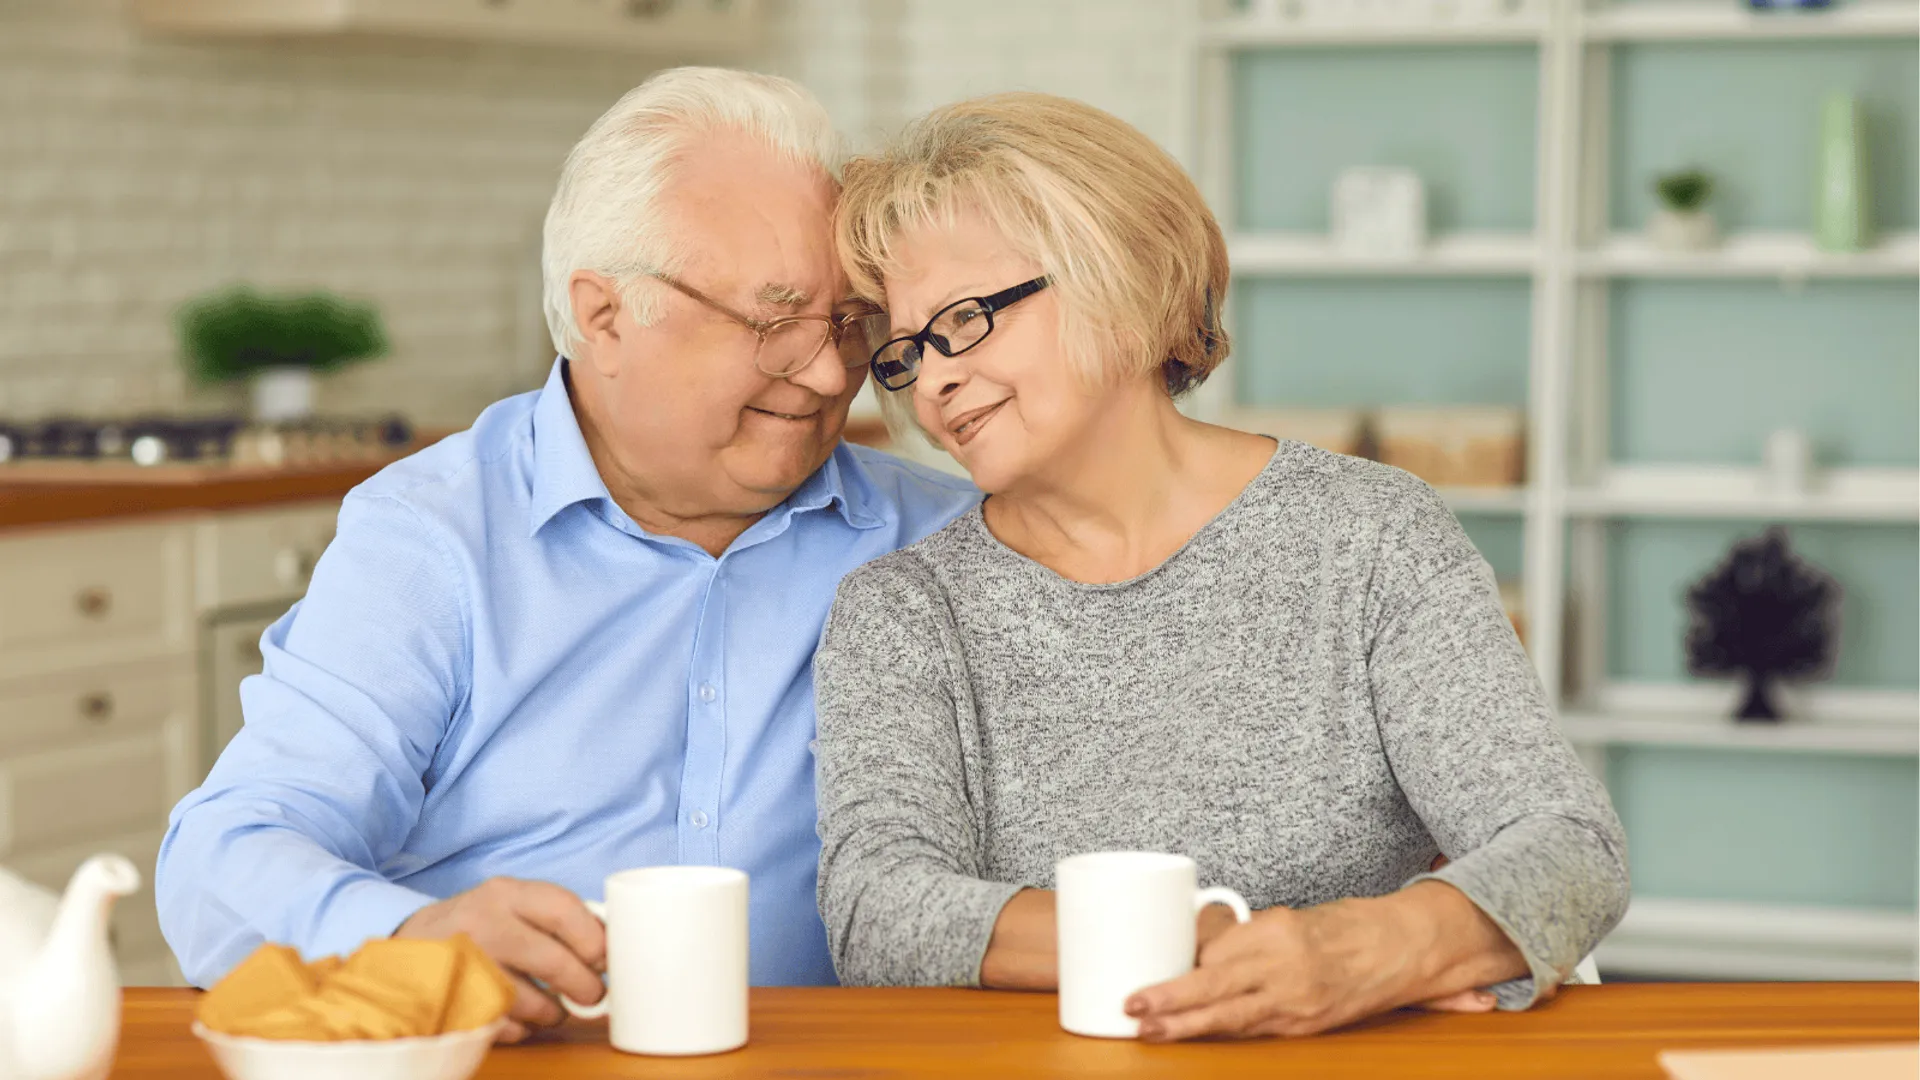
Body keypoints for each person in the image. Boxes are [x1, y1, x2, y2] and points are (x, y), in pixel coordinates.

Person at [156, 68, 977, 1041]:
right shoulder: (436, 536)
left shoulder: (943, 537)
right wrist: (413, 936)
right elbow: (224, 857)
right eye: (774, 321)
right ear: (605, 317)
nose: (832, 370)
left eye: (850, 323)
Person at [812, 92, 1629, 1042]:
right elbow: (877, 910)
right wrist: (1180, 940)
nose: (934, 379)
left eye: (962, 319)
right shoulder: (906, 611)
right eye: (906, 352)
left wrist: (1365, 953)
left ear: (1120, 281)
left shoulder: (1369, 537)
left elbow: (1569, 849)